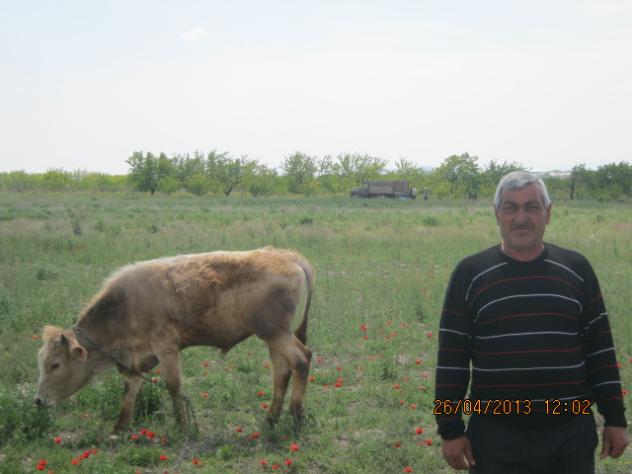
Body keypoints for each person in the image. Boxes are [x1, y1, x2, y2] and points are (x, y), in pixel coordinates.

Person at [434, 171, 629, 473]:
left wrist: (615, 418)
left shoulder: (577, 269)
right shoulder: (470, 274)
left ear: (547, 213)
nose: (521, 218)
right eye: (511, 207)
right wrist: (450, 429)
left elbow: (600, 350)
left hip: (570, 434)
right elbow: (452, 359)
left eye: (532, 207)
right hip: (494, 435)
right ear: (497, 214)